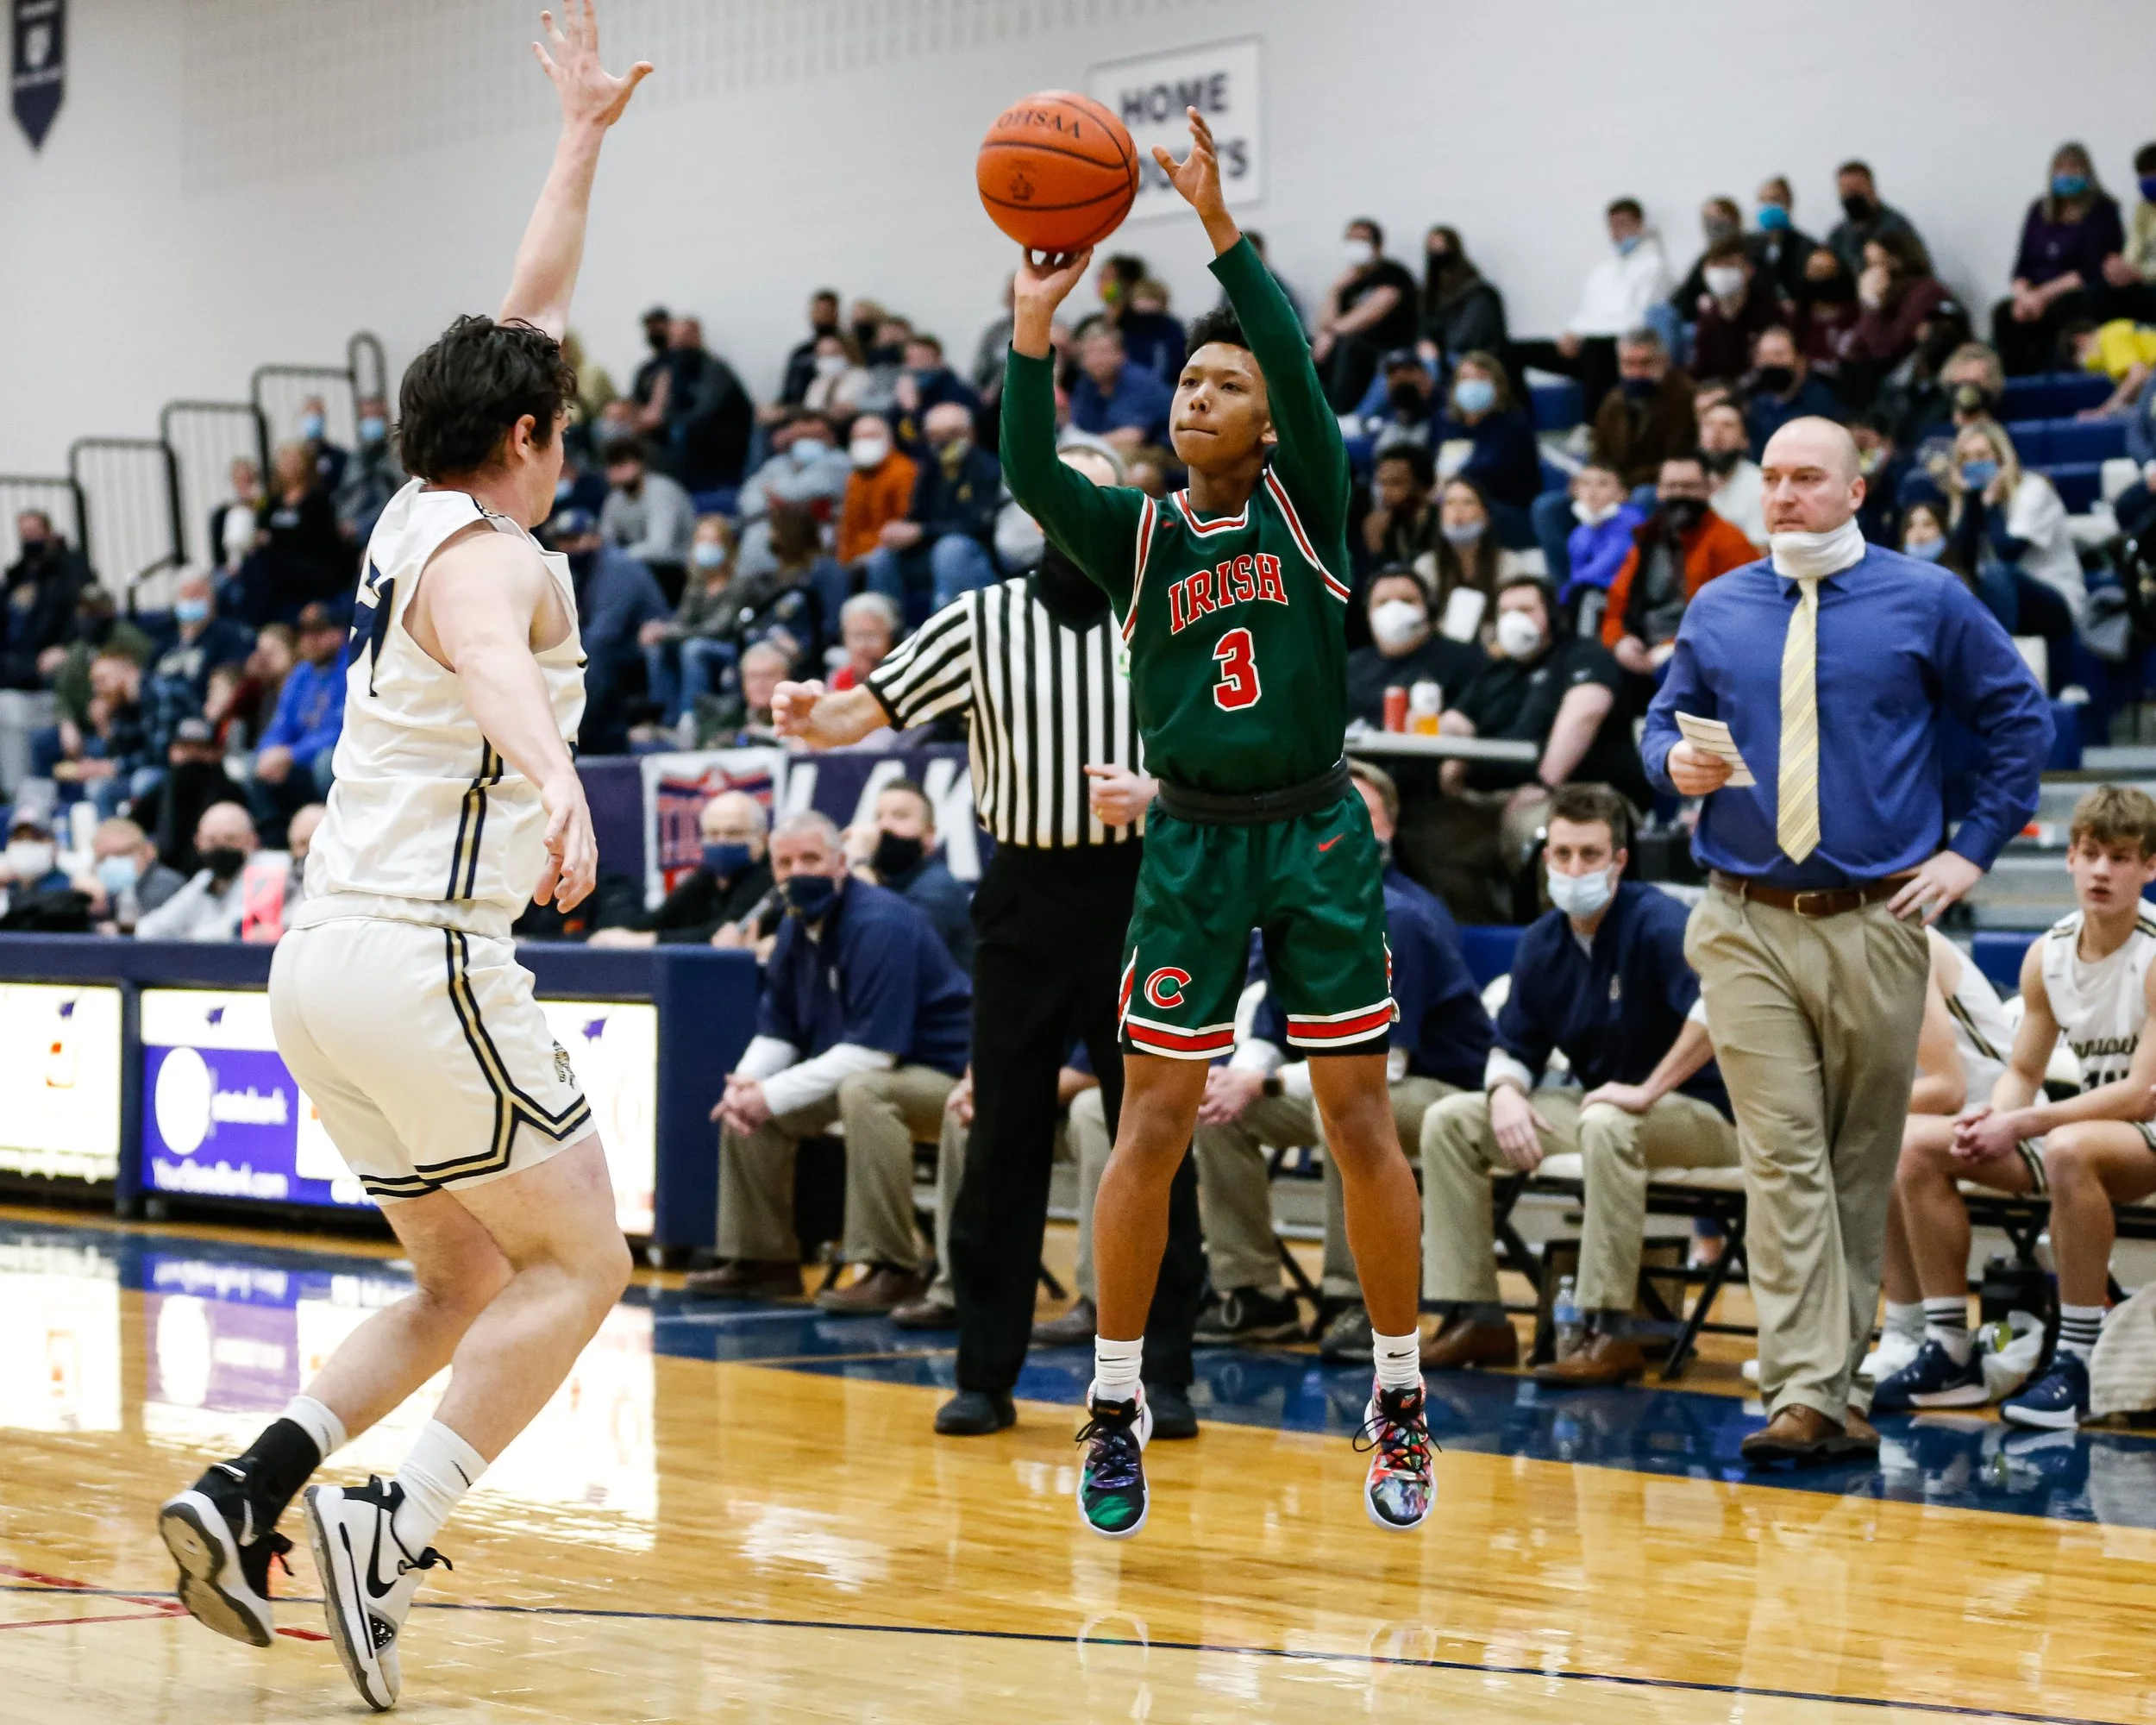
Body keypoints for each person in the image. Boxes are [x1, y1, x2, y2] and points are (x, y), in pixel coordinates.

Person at [154, 16, 646, 1708]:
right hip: (430, 955)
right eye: (558, 417)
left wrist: (578, 134)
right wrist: (558, 779)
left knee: (452, 1276)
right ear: (523, 444)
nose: (568, 427)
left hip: (316, 964)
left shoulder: (410, 501)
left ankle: (248, 1486)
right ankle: (394, 1523)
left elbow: (529, 310)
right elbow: (492, 656)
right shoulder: (492, 555)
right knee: (583, 1266)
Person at [1002, 108, 1438, 1536]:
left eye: (1223, 383)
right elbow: (1024, 474)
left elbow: (1300, 361)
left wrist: (1216, 227)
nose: (1195, 395)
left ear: (1266, 420)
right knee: (1154, 1119)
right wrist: (1029, 331)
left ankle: (1397, 1391)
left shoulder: (1308, 498)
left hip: (1313, 830)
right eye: (1184, 379)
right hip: (1187, 839)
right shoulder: (1137, 536)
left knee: (1360, 1113)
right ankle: (1116, 1398)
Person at [768, 442, 1203, 1438]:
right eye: (1068, 488)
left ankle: (1161, 1372)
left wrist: (1164, 791)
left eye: (1105, 489)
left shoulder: (1173, 603)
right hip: (1022, 896)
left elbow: (1231, 745)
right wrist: (807, 714)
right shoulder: (983, 616)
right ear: (1042, 507)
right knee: (1001, 1139)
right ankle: (983, 1370)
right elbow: (860, 708)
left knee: (1153, 1143)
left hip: (1144, 893)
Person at [1644, 415, 2051, 1467]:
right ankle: (1807, 1393)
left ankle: (1830, 1384)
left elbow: (2020, 721)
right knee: (1781, 1152)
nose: (1783, 495)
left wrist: (1969, 850)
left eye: (1806, 478)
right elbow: (1662, 718)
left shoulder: (1927, 598)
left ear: (1858, 489)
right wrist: (1666, 764)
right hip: (1738, 914)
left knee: (1854, 1159)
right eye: (1771, 478)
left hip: (1877, 916)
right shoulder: (1718, 602)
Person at [1421, 783, 1738, 1383]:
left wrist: (1648, 1091)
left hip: (1705, 1116)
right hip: (1605, 1112)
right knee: (1454, 1121)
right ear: (1545, 859)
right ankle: (1477, 1316)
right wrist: (1507, 1093)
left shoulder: (1660, 923)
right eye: (1563, 854)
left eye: (1590, 855)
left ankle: (1607, 1328)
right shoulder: (1544, 941)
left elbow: (1717, 1012)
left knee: (1606, 1120)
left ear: (1619, 860)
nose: (1574, 868)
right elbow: (1513, 1044)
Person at [1193, 761, 1493, 1358]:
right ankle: (1251, 1292)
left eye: (1361, 814)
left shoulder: (1402, 917)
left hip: (1439, 1088)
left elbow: (1386, 1068)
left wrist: (1266, 1082)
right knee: (1215, 1110)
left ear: (1388, 828)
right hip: (1323, 1081)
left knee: (1348, 1110)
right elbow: (1267, 1025)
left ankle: (1354, 1297)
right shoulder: (1294, 909)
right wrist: (1244, 1076)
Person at [1885, 787, 2156, 1428]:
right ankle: (1950, 1347)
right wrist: (1992, 1117)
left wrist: (2026, 1119)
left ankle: (2080, 1359)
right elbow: (2024, 1071)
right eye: (2090, 854)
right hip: (2092, 1138)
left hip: (2142, 1131)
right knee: (1919, 1144)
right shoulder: (2049, 954)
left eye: (2120, 858)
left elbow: (2142, 1092)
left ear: (2149, 868)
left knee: (2067, 1147)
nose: (2101, 872)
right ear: (2068, 859)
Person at [693, 811, 971, 1314]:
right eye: (784, 862)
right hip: (867, 1069)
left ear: (841, 864)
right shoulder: (799, 926)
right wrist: (748, 1087)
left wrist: (768, 1095)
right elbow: (779, 1028)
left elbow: (873, 1051)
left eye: (810, 859)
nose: (797, 872)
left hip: (948, 1075)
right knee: (744, 1108)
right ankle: (763, 1260)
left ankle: (892, 1266)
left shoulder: (881, 922)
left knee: (864, 1090)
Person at [1861, 925, 2018, 1402]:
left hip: (1991, 1115)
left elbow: (1946, 1089)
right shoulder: (1827, 952)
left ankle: (1919, 1333)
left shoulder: (1899, 940)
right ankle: (1817, 1340)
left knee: (1878, 1138)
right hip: (1928, 1122)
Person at [1437, 574, 1651, 915]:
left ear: (1550, 614)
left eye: (1525, 608)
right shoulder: (1495, 674)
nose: (1513, 618)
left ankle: (1558, 947)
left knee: (1548, 837)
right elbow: (1455, 723)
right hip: (1499, 796)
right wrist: (1452, 777)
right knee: (1433, 842)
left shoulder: (1583, 654)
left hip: (1578, 794)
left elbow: (1586, 711)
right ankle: (1490, 942)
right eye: (1505, 610)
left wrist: (1544, 784)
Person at [1936, 419, 2082, 674]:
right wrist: (1972, 500)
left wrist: (1990, 505)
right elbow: (1962, 560)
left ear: (2001, 458)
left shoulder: (2033, 489)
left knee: (1995, 574)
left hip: (2055, 599)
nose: (1974, 465)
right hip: (2000, 597)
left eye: (1982, 455)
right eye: (1966, 459)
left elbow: (2008, 552)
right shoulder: (1967, 502)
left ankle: (2000, 669)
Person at [1511, 198, 1672, 420]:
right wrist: (1572, 332)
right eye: (1613, 225)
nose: (1618, 232)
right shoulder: (1603, 270)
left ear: (1639, 226)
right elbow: (1587, 311)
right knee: (1511, 351)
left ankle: (1591, 426)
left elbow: (1639, 318)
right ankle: (1521, 423)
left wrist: (1584, 332)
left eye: (1624, 224)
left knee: (1596, 347)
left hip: (1616, 347)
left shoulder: (1654, 267)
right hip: (1586, 344)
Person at [1601, 455, 1758, 680]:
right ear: (1659, 492)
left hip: (1697, 652)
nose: (1679, 494)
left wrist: (1670, 648)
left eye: (1689, 486)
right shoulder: (1646, 538)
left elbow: (1737, 619)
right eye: (1671, 486)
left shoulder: (1730, 541)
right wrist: (1619, 640)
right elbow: (1616, 604)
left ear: (1709, 489)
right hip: (1639, 646)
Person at [1993, 142, 2125, 377]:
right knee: (2003, 313)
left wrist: (2042, 296)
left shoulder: (2102, 210)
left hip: (2072, 291)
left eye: (2074, 169)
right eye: (2060, 170)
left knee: (2069, 307)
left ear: (2087, 173)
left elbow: (2092, 269)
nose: (2066, 176)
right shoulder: (2038, 210)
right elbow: (2022, 266)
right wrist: (2025, 297)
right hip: (2034, 294)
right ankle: (2018, 383)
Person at [862, 400, 1000, 621]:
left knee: (950, 550)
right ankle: (883, 629)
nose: (943, 442)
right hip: (930, 552)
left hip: (974, 555)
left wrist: (922, 531)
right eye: (935, 435)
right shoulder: (930, 469)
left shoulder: (989, 468)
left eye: (952, 433)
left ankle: (947, 630)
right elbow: (916, 515)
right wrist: (900, 530)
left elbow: (981, 523)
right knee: (882, 557)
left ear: (970, 433)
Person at [546, 505, 667, 753]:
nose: (568, 547)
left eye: (575, 539)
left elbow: (605, 632)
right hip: (613, 649)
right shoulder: (579, 570)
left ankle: (578, 730)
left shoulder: (617, 567)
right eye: (563, 541)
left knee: (594, 653)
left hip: (644, 651)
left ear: (595, 538)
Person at [590, 790, 772, 949]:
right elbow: (655, 921)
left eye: (733, 833)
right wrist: (612, 935)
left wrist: (641, 941)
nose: (721, 842)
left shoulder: (768, 879)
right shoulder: (707, 876)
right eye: (713, 834)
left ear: (762, 840)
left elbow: (718, 937)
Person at [248, 601, 348, 842]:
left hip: (329, 758)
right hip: (297, 762)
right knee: (253, 765)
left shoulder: (353, 666)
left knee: (327, 763)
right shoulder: (301, 673)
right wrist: (270, 752)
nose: (311, 640)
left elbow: (343, 729)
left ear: (339, 633)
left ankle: (341, 833)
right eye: (305, 633)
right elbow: (280, 725)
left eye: (320, 632)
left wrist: (292, 754)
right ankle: (276, 842)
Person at [854, 778, 973, 973]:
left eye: (900, 816)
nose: (884, 826)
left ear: (929, 834)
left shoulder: (940, 888)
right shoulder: (881, 880)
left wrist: (859, 863)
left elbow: (891, 949)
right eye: (878, 817)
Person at [1347, 566, 1485, 726]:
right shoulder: (1349, 668)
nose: (1395, 611)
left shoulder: (1465, 661)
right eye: (1383, 603)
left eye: (1407, 600)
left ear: (1428, 609)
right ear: (1368, 614)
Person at [640, 516, 738, 730]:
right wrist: (659, 630)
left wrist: (668, 633)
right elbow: (681, 622)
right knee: (657, 647)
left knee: (693, 649)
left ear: (726, 546)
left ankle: (690, 717)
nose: (706, 547)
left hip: (731, 646)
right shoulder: (697, 586)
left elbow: (718, 629)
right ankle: (666, 718)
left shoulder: (738, 584)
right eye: (701, 541)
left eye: (713, 541)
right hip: (699, 641)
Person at [1313, 217, 1421, 411]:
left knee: (1348, 346)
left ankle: (1338, 412)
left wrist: (1330, 334)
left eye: (1361, 240)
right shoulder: (1349, 282)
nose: (1355, 245)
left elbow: (1369, 315)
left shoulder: (1393, 274)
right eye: (1350, 240)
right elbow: (1325, 324)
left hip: (1386, 349)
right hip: (1350, 347)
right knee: (1306, 343)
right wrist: (1335, 290)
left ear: (1377, 246)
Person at [1432, 350, 1540, 539]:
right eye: (1465, 378)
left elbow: (1490, 472)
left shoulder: (1512, 424)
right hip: (1451, 500)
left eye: (1481, 378)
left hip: (1504, 509)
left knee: (1462, 507)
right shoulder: (1445, 424)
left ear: (1498, 387)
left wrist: (1447, 488)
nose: (1472, 385)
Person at [135, 800, 260, 941]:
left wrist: (187, 939)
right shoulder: (204, 879)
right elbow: (156, 925)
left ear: (253, 840)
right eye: (211, 840)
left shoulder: (267, 873)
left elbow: (237, 925)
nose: (221, 847)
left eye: (231, 839)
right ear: (198, 842)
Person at [1589, 327, 1698, 489]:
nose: (1636, 373)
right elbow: (1599, 456)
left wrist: (1621, 484)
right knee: (1549, 506)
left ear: (1664, 361)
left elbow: (1677, 462)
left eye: (1645, 363)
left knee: (1643, 494)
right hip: (1614, 487)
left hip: (1662, 487)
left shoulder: (1685, 396)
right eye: (1628, 364)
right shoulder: (1613, 401)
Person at [135, 717, 245, 873]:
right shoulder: (165, 787)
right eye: (185, 748)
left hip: (214, 871)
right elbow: (133, 824)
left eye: (200, 749)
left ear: (216, 753)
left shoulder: (229, 790)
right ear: (172, 752)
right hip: (168, 873)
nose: (192, 755)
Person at [597, 436, 695, 602]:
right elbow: (605, 541)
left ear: (640, 464)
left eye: (623, 464)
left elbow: (661, 547)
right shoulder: (614, 499)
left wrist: (619, 558)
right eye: (613, 466)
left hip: (679, 565)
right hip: (640, 563)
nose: (617, 472)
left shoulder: (661, 490)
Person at [2, 511, 90, 689]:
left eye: (34, 532)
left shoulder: (69, 568)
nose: (29, 539)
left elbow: (81, 611)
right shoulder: (18, 575)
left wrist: (65, 648)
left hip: (45, 654)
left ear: (48, 532)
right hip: (12, 656)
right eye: (25, 534)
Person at [1549, 460, 1645, 618]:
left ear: (1622, 493)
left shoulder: (1631, 522)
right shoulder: (1579, 533)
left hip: (1627, 594)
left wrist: (1565, 593)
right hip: (1594, 592)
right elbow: (1577, 572)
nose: (1592, 491)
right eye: (1585, 484)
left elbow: (1606, 565)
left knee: (1583, 596)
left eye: (1603, 484)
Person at [1689, 236, 1781, 385]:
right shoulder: (1707, 319)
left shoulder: (1768, 313)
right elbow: (1703, 371)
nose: (1722, 273)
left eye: (1730, 265)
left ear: (1749, 271)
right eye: (1716, 266)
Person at [1069, 321, 1174, 451]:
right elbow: (1078, 429)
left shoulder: (1140, 381)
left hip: (1158, 450)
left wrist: (1087, 445)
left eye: (1103, 352)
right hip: (1108, 448)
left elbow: (1133, 436)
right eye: (1089, 353)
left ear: (1120, 355)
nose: (1096, 360)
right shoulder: (1085, 385)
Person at [73, 814, 187, 932]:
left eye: (121, 854)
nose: (111, 863)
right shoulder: (109, 891)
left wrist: (116, 929)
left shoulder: (167, 885)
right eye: (102, 858)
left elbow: (155, 934)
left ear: (148, 851)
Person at [1744, 325, 1844, 456]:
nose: (1770, 363)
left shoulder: (1822, 401)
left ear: (1800, 361)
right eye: (1763, 356)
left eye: (1778, 355)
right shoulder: (1754, 404)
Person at [835, 414, 918, 567]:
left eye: (872, 436)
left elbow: (904, 522)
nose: (865, 443)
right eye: (858, 438)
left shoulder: (904, 471)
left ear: (889, 439)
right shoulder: (855, 478)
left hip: (888, 554)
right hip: (855, 557)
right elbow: (848, 527)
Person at [1823, 160, 1925, 285]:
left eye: (1857, 188)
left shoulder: (1895, 225)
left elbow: (1915, 268)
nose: (1851, 195)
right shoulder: (1838, 234)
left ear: (1872, 188)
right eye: (1846, 190)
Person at [1419, 225, 1508, 366]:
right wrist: (1425, 343)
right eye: (1431, 247)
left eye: (1440, 246)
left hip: (1473, 357)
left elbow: (1465, 338)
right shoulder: (1429, 294)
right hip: (1439, 355)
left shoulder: (1478, 292)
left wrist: (1437, 349)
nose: (1436, 252)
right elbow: (1424, 327)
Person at [1357, 442, 1442, 577]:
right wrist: (1376, 548)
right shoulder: (1382, 527)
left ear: (1424, 487)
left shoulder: (1442, 524)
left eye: (1396, 483)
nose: (1386, 493)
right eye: (1382, 483)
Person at [335, 396, 406, 544]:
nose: (370, 422)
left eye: (375, 417)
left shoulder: (398, 457)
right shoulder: (356, 459)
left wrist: (362, 526)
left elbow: (395, 501)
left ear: (386, 420)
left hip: (386, 533)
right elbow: (346, 494)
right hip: (351, 535)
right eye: (366, 417)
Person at [1699, 398, 1767, 546]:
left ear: (1745, 440)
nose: (1716, 434)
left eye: (1727, 426)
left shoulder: (1759, 485)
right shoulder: (1690, 482)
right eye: (1709, 425)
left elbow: (1760, 552)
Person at [1747, 175, 1820, 305]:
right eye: (1764, 200)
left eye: (1775, 199)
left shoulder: (1806, 246)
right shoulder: (1748, 248)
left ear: (1788, 203)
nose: (1769, 205)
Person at [777, 289, 843, 408]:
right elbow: (788, 393)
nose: (821, 316)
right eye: (818, 311)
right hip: (793, 410)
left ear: (836, 314)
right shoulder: (800, 352)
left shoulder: (846, 350)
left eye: (826, 311)